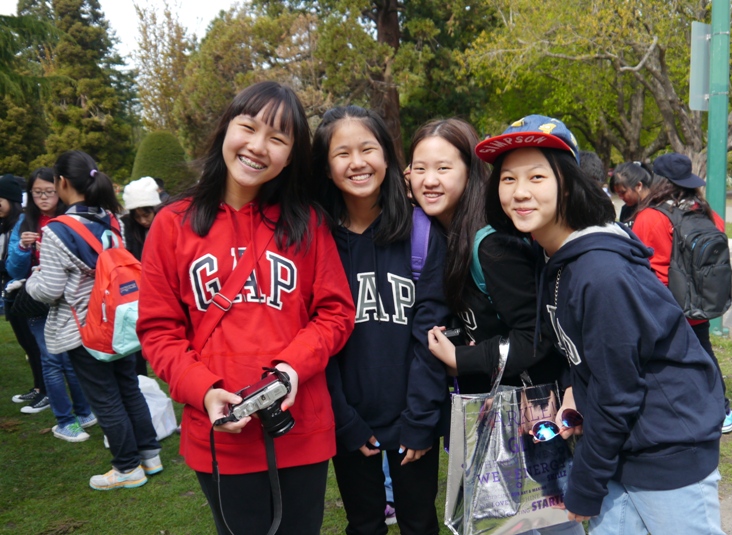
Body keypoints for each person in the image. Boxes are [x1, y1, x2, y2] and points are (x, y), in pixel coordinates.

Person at [477, 114, 726, 534]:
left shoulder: (600, 273)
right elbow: (591, 357)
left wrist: (585, 484)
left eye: (536, 177)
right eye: (507, 179)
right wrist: (575, 391)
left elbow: (619, 392)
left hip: (668, 453)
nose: (519, 192)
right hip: (622, 447)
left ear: (568, 184)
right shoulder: (555, 258)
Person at [136, 81, 355, 535]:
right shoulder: (172, 224)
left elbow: (335, 313)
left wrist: (291, 369)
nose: (258, 147)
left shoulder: (308, 222)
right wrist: (203, 390)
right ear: (226, 129)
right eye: (249, 127)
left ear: (290, 156)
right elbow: (158, 331)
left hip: (298, 427)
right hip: (220, 433)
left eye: (277, 138)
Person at [413, 118, 584, 535]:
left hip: (531, 412)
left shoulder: (489, 244)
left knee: (545, 519)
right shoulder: (446, 233)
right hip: (494, 407)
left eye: (443, 168)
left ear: (471, 172)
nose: (429, 180)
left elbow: (537, 337)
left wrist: (463, 359)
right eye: (419, 168)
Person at [310, 105, 448, 535]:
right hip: (350, 421)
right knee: (364, 524)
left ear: (387, 156)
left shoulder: (422, 232)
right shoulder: (314, 239)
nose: (357, 162)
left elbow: (432, 336)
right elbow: (314, 341)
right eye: (342, 153)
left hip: (412, 417)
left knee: (420, 522)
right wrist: (344, 421)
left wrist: (420, 421)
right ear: (325, 167)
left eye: (367, 149)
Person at [26, 150, 162, 490]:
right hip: (119, 321)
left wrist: (31, 281)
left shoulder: (58, 231)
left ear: (62, 182)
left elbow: (49, 289)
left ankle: (127, 467)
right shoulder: (112, 220)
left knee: (105, 398)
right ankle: (150, 455)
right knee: (128, 387)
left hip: (84, 329)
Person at [632, 152, 732, 434]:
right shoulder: (707, 213)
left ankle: (683, 416)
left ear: (658, 181)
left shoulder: (651, 216)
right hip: (700, 303)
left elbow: (645, 265)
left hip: (665, 306)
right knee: (703, 355)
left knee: (667, 365)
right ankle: (723, 411)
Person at [6, 167, 96, 441]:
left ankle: (83, 412)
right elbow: (13, 269)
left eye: (49, 191)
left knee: (71, 358)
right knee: (51, 360)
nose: (43, 197)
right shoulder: (25, 223)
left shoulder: (70, 220)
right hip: (37, 300)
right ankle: (66, 420)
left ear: (60, 190)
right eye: (37, 192)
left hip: (70, 300)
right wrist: (23, 249)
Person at [1, 173, 48, 414]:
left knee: (35, 344)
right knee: (26, 344)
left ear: (11, 200)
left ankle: (45, 391)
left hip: (26, 290)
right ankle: (38, 387)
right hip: (11, 291)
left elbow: (15, 264)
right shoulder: (5, 225)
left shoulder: (21, 223)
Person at [121, 176, 162, 376]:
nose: (143, 221)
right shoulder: (129, 229)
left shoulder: (166, 224)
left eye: (147, 215)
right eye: (138, 217)